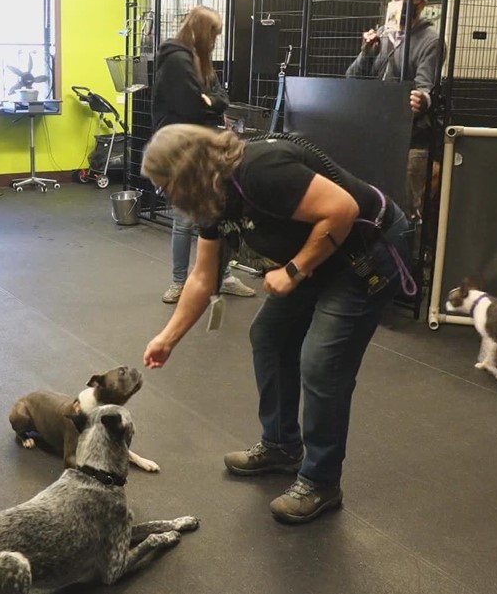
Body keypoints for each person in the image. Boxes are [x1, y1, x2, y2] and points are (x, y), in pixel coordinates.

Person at [141, 124, 414, 524]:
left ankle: (321, 482)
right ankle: (283, 446)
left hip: (366, 252)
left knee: (321, 361)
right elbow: (203, 275)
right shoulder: (212, 197)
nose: (165, 195)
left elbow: (342, 210)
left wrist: (294, 269)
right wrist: (168, 338)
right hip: (323, 252)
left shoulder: (261, 169)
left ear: (188, 172)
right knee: (268, 335)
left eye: (166, 186)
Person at [151, 5, 255, 304]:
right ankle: (179, 282)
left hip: (208, 146)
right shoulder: (176, 60)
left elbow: (221, 97)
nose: (215, 41)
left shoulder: (202, 62)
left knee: (218, 215)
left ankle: (222, 276)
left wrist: (211, 101)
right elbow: (189, 107)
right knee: (184, 219)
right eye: (214, 34)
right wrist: (209, 104)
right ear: (201, 31)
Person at [345, 0, 444, 223]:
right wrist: (367, 52)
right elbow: (352, 77)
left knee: (408, 207)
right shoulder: (382, 34)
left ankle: (413, 259)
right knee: (375, 200)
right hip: (378, 132)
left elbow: (425, 87)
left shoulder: (430, 41)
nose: (400, 1)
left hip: (411, 139)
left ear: (421, 3)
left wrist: (421, 101)